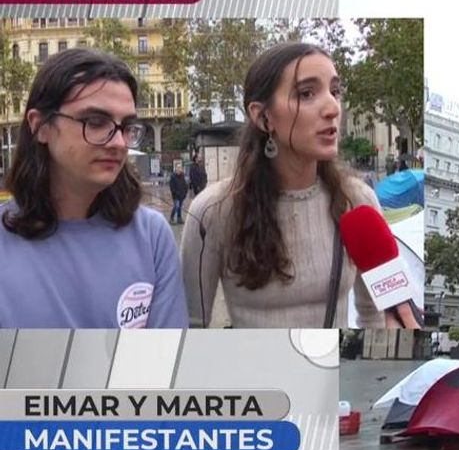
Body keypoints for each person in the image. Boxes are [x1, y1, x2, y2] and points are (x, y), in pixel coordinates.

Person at [181, 42, 414, 328]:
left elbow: (377, 314)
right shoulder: (212, 211)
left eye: (335, 91)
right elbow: (191, 325)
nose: (332, 108)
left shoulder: (359, 202)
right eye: (306, 93)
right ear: (263, 116)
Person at [0, 49, 188, 328]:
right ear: (40, 126)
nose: (118, 142)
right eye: (96, 122)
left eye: (126, 126)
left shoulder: (152, 237)